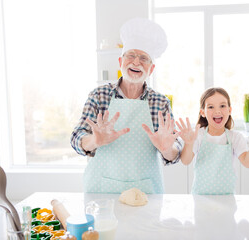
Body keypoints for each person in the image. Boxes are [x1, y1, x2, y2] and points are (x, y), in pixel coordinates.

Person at [70, 18, 182, 194]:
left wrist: (167, 149)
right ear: (120, 62)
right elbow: (77, 138)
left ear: (151, 69)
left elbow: (175, 152)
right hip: (102, 191)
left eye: (144, 58)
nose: (136, 62)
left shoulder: (160, 102)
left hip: (146, 192)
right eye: (131, 55)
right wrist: (94, 141)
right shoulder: (99, 96)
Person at [176, 87, 249, 195]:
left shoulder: (235, 137)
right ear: (202, 112)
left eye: (222, 106)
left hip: (227, 199)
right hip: (200, 198)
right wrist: (189, 143)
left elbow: (248, 162)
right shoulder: (198, 136)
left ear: (230, 110)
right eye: (210, 107)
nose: (217, 111)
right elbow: (186, 161)